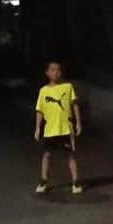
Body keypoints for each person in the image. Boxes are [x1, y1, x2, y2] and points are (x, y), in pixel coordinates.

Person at [34, 61, 82, 194]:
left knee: (71, 156)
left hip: (66, 128)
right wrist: (38, 127)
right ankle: (43, 181)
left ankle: (76, 182)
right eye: (53, 70)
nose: (56, 72)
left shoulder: (68, 87)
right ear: (47, 73)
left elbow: (75, 105)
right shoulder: (43, 91)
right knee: (46, 155)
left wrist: (78, 122)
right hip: (50, 130)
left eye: (58, 70)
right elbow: (39, 110)